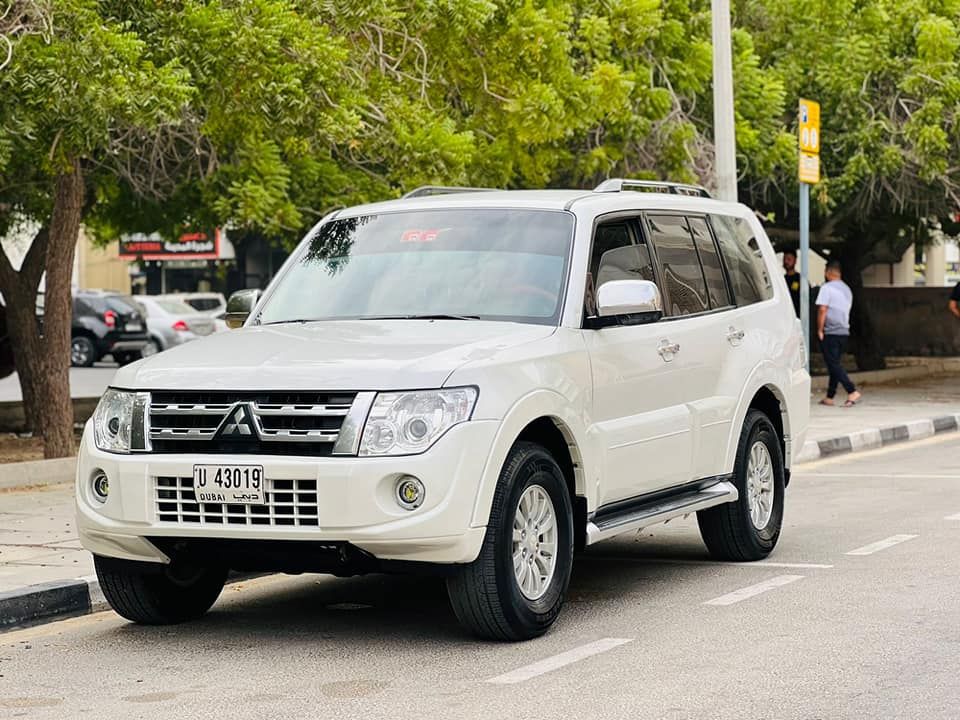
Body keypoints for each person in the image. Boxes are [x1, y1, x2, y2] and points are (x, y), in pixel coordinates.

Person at [815, 260, 861, 406]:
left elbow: (823, 309)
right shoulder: (847, 290)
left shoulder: (826, 288)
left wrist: (820, 329)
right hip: (844, 332)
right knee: (834, 363)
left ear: (828, 273)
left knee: (833, 363)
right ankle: (830, 396)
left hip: (831, 332)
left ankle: (852, 391)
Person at [783, 249, 801, 316]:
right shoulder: (782, 280)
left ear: (795, 260)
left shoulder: (800, 280)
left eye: (789, 259)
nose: (786, 261)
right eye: (784, 259)